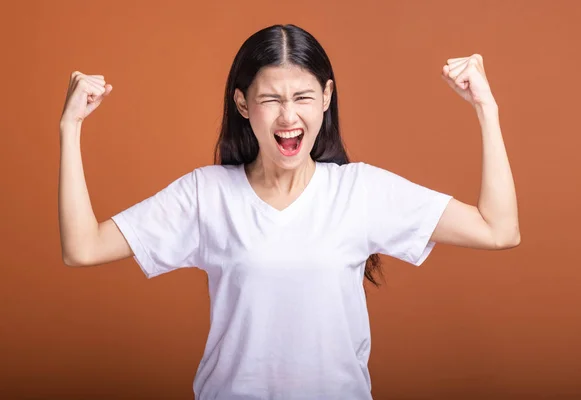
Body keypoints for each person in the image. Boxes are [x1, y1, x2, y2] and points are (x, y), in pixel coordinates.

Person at [58, 24, 520, 400]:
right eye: (270, 99)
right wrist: (70, 128)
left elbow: (498, 229)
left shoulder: (360, 191)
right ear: (242, 104)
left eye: (302, 97)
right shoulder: (206, 195)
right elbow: (83, 247)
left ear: (326, 97)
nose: (288, 117)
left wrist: (487, 108)